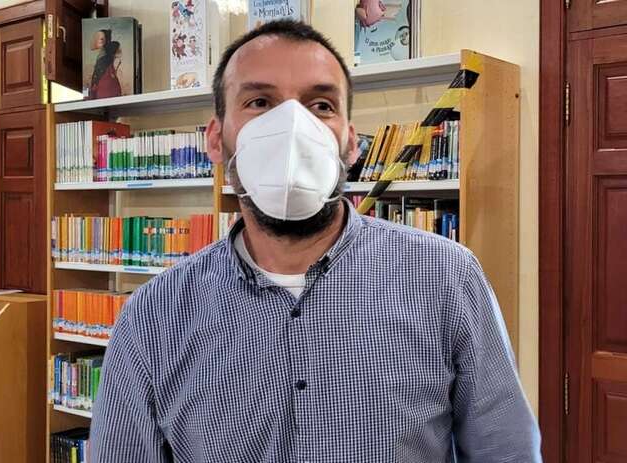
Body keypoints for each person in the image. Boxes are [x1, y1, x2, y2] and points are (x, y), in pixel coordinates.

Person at [90, 19, 541, 462]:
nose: (293, 127)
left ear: (350, 143)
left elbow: (508, 452)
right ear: (216, 139)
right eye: (260, 101)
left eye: (321, 105)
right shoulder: (153, 316)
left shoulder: (446, 277)